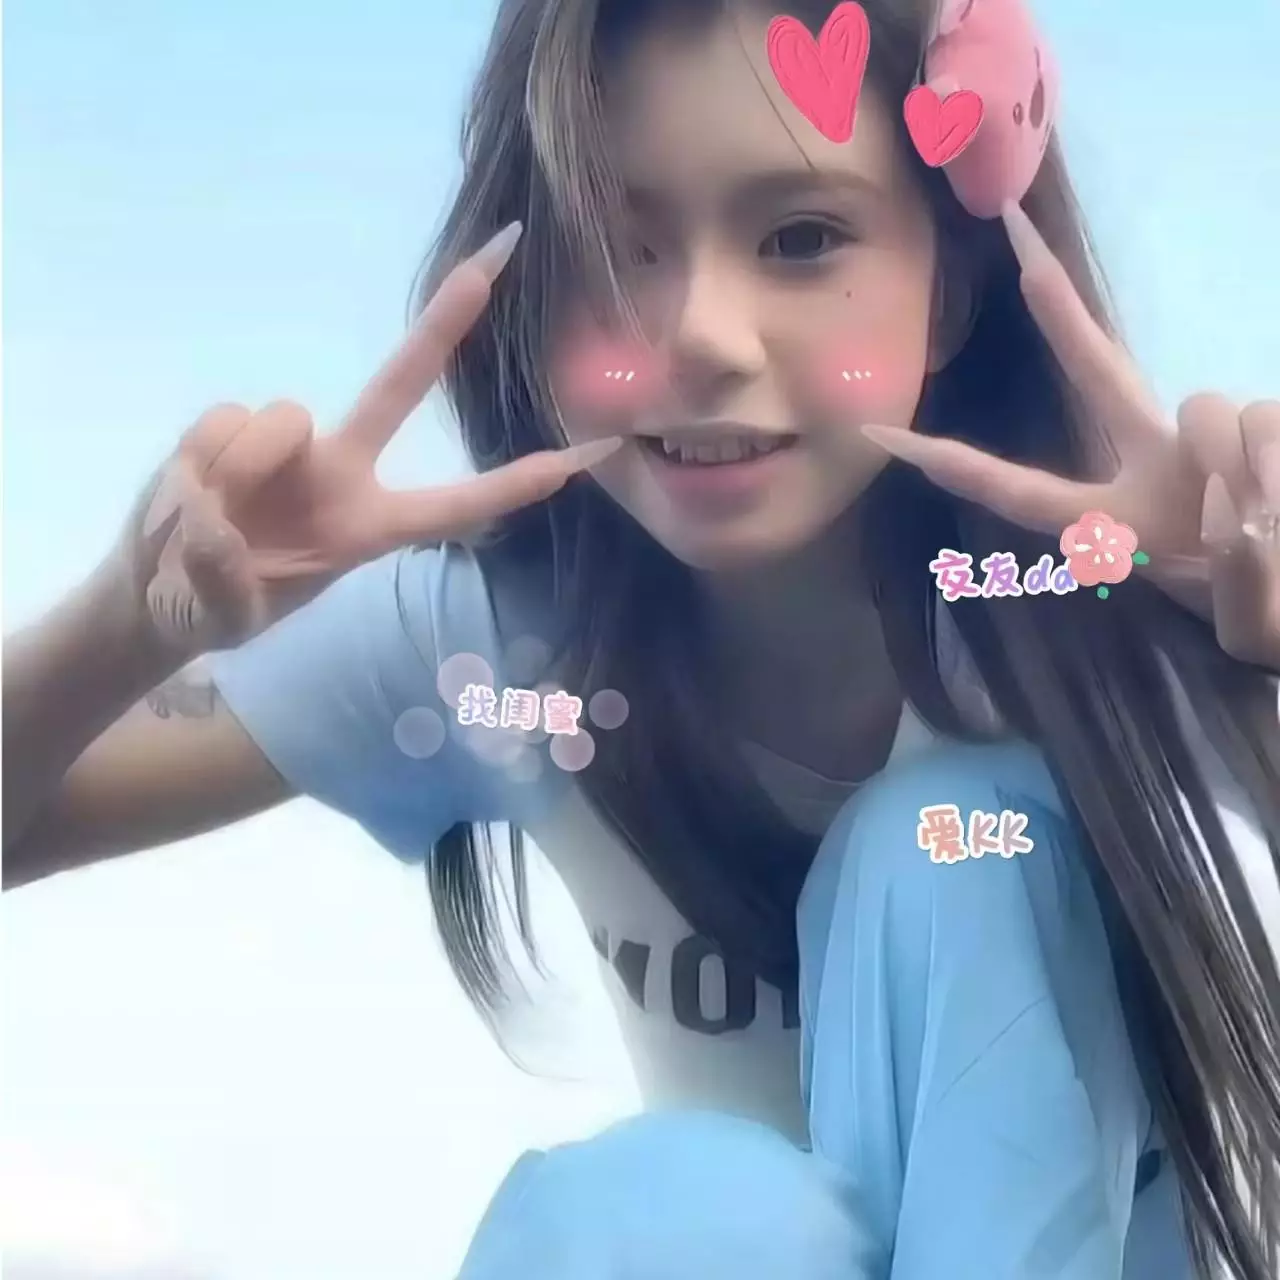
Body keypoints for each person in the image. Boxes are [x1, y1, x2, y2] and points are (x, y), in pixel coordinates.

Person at [5, 0, 1280, 1275]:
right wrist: (131, 618)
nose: (700, 338)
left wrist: (1259, 663)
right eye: (615, 254)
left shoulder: (1091, 605)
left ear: (947, 292)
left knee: (953, 843)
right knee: (643, 1213)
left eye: (800, 238)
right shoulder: (497, 646)